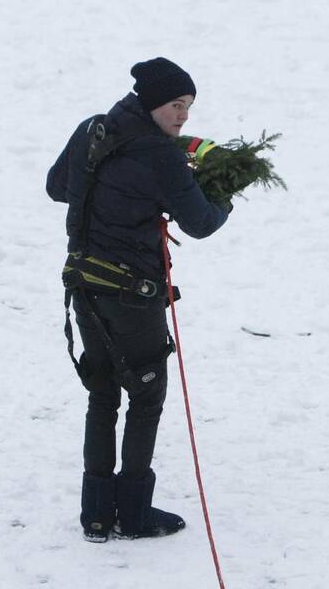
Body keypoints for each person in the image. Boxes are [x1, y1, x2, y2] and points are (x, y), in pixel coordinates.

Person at [46, 57, 230, 542]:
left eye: (189, 106)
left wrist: (117, 197)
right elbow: (202, 222)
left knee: (103, 392)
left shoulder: (93, 130)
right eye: (176, 104)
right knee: (146, 395)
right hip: (132, 295)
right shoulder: (160, 155)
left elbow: (57, 186)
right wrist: (227, 188)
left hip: (84, 283)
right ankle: (134, 513)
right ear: (150, 104)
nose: (184, 116)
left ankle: (97, 515)